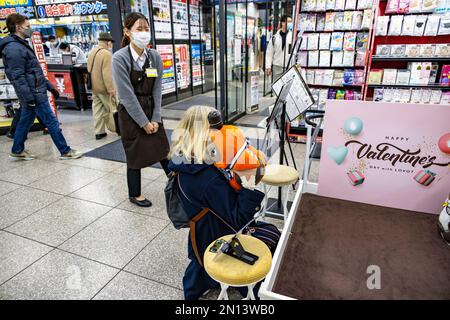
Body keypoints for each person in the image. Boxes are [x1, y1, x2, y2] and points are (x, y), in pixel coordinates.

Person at [168, 106, 267, 300]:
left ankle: (195, 288)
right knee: (269, 236)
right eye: (217, 129)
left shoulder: (185, 160)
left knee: (198, 265)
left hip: (203, 226)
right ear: (204, 133)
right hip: (218, 231)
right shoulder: (207, 178)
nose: (223, 133)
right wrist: (248, 188)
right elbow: (238, 219)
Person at [0, 13, 82, 160]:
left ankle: (17, 149)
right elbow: (18, 77)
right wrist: (29, 98)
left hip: (34, 92)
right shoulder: (14, 49)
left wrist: (51, 88)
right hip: (34, 94)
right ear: (18, 28)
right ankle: (65, 151)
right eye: (28, 27)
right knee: (51, 121)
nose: (30, 29)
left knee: (25, 122)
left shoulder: (20, 45)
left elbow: (34, 72)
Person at [112, 12, 170, 208]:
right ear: (128, 32)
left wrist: (155, 118)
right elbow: (126, 95)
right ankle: (134, 194)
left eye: (146, 29)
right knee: (134, 153)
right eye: (139, 29)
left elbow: (157, 89)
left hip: (152, 110)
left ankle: (178, 185)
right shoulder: (119, 58)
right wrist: (143, 123)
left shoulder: (154, 56)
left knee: (163, 150)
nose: (144, 33)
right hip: (130, 114)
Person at [87, 32, 116, 140]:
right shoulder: (106, 54)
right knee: (112, 109)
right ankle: (117, 129)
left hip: (94, 87)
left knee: (97, 110)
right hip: (104, 88)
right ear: (108, 42)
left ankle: (99, 132)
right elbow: (107, 74)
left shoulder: (92, 52)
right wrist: (111, 89)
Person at [265, 15, 293, 82]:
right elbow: (269, 53)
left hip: (289, 67)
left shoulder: (293, 37)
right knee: (277, 88)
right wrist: (268, 67)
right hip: (277, 67)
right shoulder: (274, 38)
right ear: (282, 23)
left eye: (291, 22)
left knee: (287, 89)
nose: (290, 24)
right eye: (288, 22)